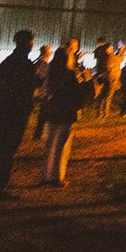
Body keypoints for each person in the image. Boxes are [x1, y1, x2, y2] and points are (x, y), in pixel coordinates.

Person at [0, 29, 37, 200]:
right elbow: (24, 89)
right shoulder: (24, 65)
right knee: (6, 150)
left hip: (6, 111)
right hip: (16, 113)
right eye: (32, 42)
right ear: (28, 43)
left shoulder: (8, 62)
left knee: (3, 149)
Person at [39, 38, 93, 186]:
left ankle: (46, 176)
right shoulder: (70, 74)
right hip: (67, 112)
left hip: (52, 111)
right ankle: (58, 177)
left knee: (50, 145)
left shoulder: (51, 72)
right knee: (62, 147)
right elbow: (81, 94)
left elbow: (43, 92)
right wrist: (88, 80)